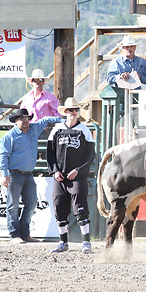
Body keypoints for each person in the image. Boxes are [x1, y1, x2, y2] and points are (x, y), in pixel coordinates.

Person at [0, 109, 62, 244]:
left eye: (27, 118)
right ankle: (15, 235)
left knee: (32, 203)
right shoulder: (10, 136)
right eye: (22, 118)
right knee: (13, 205)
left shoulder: (34, 129)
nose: (25, 121)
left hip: (28, 174)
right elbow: (3, 155)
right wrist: (4, 174)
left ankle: (25, 234)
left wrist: (63, 121)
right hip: (14, 174)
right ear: (16, 121)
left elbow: (46, 120)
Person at [47, 97, 96, 253]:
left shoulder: (84, 130)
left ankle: (86, 242)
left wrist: (79, 170)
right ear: (65, 112)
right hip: (60, 176)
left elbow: (90, 155)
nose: (74, 113)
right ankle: (63, 242)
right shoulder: (56, 130)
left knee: (80, 207)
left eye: (76, 110)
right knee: (59, 206)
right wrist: (54, 170)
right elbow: (50, 153)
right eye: (71, 110)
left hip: (77, 176)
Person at [20, 69, 61, 139]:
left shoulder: (50, 98)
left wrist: (50, 123)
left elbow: (59, 112)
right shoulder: (27, 98)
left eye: (41, 80)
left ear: (44, 82)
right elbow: (21, 113)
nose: (38, 82)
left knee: (44, 149)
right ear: (32, 82)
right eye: (36, 80)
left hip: (45, 131)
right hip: (29, 129)